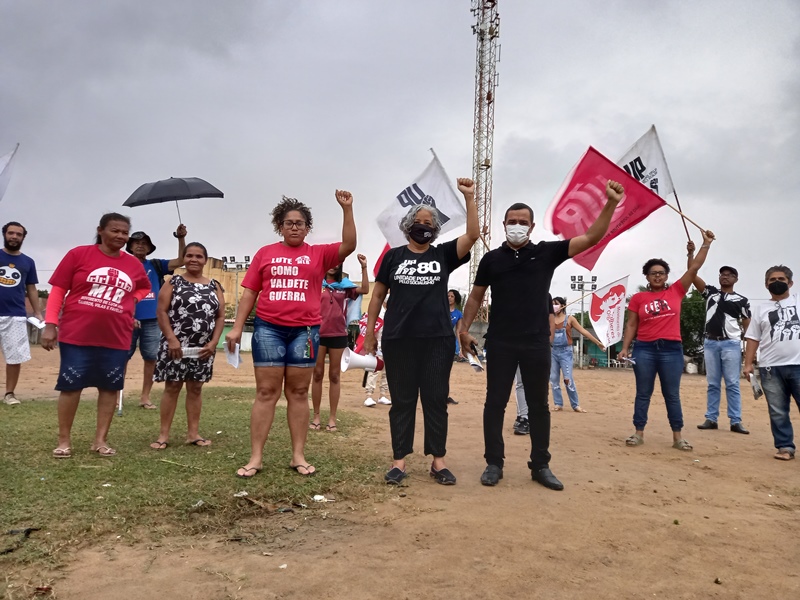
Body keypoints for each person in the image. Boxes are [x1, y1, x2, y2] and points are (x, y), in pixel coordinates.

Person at [460, 180, 625, 490]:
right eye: (512, 222)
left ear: (532, 226)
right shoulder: (491, 260)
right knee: (495, 403)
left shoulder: (548, 253)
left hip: (536, 341)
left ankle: (541, 465)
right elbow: (475, 298)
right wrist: (463, 328)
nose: (517, 226)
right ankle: (494, 463)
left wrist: (611, 203)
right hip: (501, 341)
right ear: (504, 224)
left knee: (539, 405)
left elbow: (591, 237)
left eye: (523, 222)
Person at [225, 191, 356, 478]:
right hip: (269, 329)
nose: (294, 227)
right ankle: (256, 457)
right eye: (288, 223)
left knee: (298, 392)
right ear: (279, 227)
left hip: (306, 332)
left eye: (300, 223)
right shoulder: (265, 253)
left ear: (308, 227)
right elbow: (250, 292)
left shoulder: (318, 254)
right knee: (265, 392)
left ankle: (298, 455)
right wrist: (237, 327)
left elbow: (349, 244)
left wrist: (347, 209)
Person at [364, 178, 479, 486]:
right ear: (407, 225)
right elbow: (377, 296)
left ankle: (438, 462)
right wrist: (370, 333)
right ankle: (399, 462)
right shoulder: (393, 256)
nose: (423, 226)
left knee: (434, 399)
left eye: (429, 223)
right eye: (417, 222)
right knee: (402, 401)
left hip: (437, 341)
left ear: (436, 228)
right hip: (399, 339)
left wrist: (469, 197)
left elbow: (472, 235)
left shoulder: (442, 255)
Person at [42, 213, 151, 458]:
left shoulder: (133, 264)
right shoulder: (78, 255)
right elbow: (58, 290)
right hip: (76, 334)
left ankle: (100, 440)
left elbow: (144, 287)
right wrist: (51, 324)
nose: (121, 236)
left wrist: (131, 299)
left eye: (125, 233)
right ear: (100, 230)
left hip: (116, 336)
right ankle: (64, 440)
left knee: (110, 388)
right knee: (71, 386)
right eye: (115, 231)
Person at [618, 230, 716, 452]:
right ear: (646, 276)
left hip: (672, 349)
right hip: (644, 349)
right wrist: (625, 348)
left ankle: (677, 436)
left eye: (661, 273)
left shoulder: (677, 291)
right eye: (653, 273)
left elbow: (694, 268)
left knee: (671, 393)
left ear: (666, 275)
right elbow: (632, 324)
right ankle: (638, 432)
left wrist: (705, 244)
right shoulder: (639, 298)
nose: (657, 276)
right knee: (643, 392)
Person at [149, 243, 225, 450]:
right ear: (183, 258)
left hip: (203, 348)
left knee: (196, 388)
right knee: (172, 386)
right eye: (189, 255)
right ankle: (163, 435)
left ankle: (193, 433)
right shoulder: (173, 282)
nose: (193, 259)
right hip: (175, 346)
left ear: (205, 260)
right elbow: (161, 312)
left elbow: (220, 316)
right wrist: (172, 339)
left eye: (199, 256)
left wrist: (214, 342)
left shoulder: (214, 285)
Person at [687, 244, 751, 434]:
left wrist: (748, 348)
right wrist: (690, 254)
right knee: (713, 383)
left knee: (732, 383)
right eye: (722, 273)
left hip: (731, 343)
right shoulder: (710, 293)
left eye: (729, 274)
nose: (725, 276)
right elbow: (691, 273)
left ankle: (735, 421)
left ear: (736, 279)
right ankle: (711, 418)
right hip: (710, 343)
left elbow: (748, 324)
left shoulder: (742, 300)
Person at [125, 226, 187, 409]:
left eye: (144, 244)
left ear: (149, 248)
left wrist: (181, 238)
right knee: (121, 357)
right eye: (136, 243)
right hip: (126, 317)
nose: (140, 246)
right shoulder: (123, 264)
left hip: (152, 319)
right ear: (129, 246)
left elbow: (181, 261)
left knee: (151, 358)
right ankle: (115, 395)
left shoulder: (155, 265)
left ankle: (145, 397)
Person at [743, 266, 800, 461]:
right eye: (772, 279)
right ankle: (785, 447)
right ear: (766, 284)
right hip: (770, 368)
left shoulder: (798, 302)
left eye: (782, 279)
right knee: (777, 410)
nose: (777, 282)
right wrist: (748, 364)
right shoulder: (760, 309)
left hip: (798, 365)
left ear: (790, 283)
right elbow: (752, 338)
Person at [310, 254, 370, 431]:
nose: (333, 266)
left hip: (338, 335)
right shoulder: (316, 283)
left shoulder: (345, 287)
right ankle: (316, 417)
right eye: (331, 262)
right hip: (318, 334)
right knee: (318, 374)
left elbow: (365, 290)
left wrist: (364, 267)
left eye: (337, 264)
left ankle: (332, 419)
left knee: (335, 376)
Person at [0, 222, 43, 406]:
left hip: (16, 314)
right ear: (4, 234)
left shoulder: (28, 262)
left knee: (15, 356)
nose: (14, 237)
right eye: (11, 233)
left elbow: (31, 288)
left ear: (23, 237)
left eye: (18, 234)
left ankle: (10, 394)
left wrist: (38, 313)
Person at [549, 296, 605, 413]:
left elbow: (583, 331)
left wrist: (598, 343)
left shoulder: (570, 319)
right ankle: (558, 403)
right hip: (553, 352)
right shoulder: (549, 319)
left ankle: (575, 405)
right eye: (552, 304)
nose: (554, 306)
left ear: (563, 305)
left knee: (568, 379)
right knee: (554, 379)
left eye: (557, 304)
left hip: (566, 352)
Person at [513, 299, 555, 435]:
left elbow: (551, 322)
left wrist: (547, 344)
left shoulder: (544, 295)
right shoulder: (513, 293)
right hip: (516, 344)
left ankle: (535, 418)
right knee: (520, 383)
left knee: (538, 385)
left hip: (537, 346)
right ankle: (523, 417)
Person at [359, 298, 391, 407]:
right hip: (376, 345)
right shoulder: (376, 311)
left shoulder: (392, 311)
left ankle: (383, 394)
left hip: (389, 345)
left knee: (387, 372)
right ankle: (369, 395)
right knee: (374, 370)